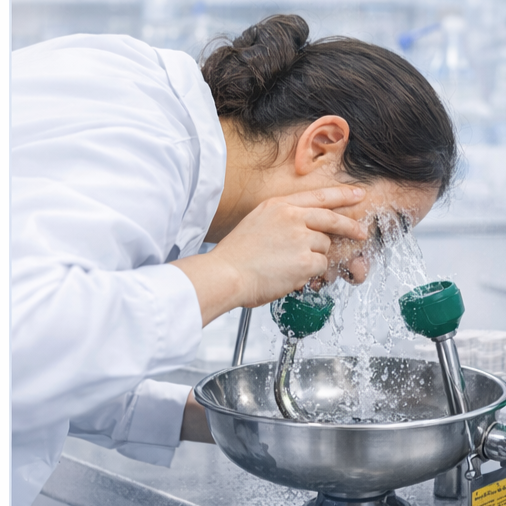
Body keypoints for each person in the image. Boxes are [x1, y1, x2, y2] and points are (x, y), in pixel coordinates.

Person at [11, 14, 457, 505]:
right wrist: (231, 272)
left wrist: (218, 418)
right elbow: (22, 342)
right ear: (322, 144)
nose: (358, 269)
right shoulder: (143, 141)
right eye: (375, 231)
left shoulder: (158, 129)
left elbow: (65, 360)